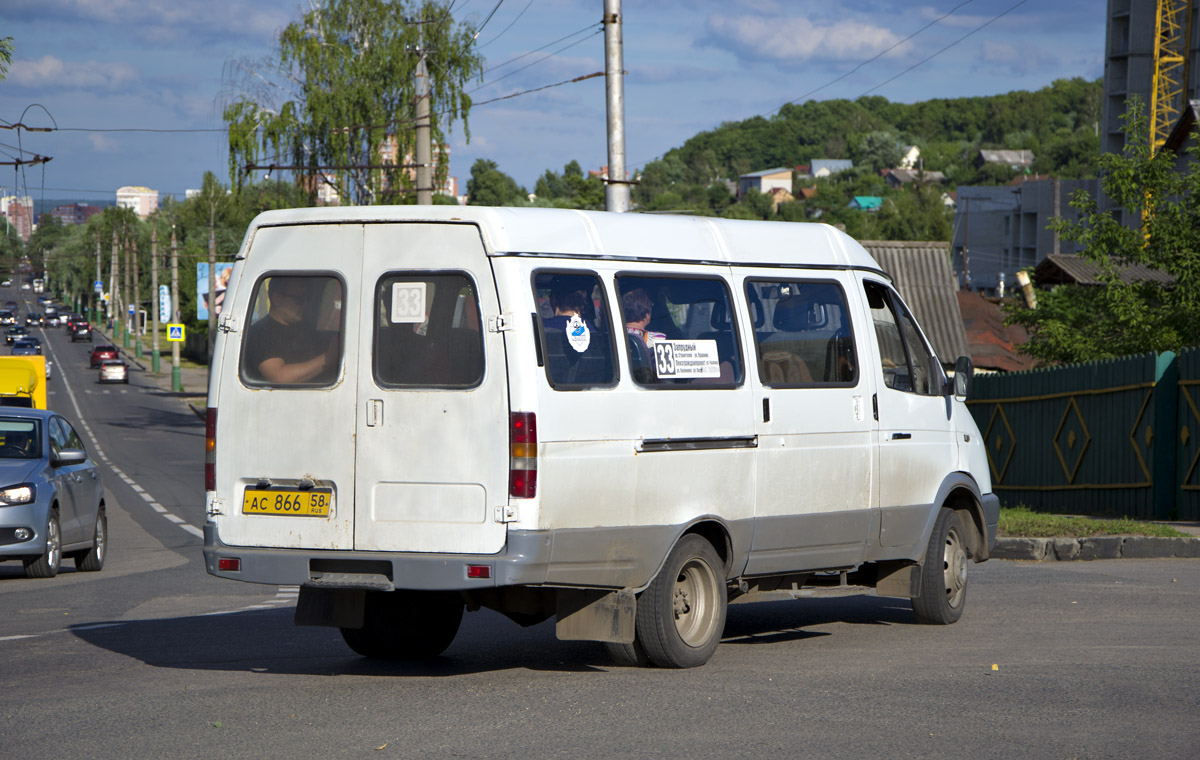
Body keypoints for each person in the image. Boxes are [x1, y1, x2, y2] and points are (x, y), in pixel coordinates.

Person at [244, 277, 340, 384]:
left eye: (308, 299)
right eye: (299, 299)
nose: (306, 305)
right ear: (277, 299)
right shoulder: (259, 333)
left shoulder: (307, 329)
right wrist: (328, 358)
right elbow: (279, 377)